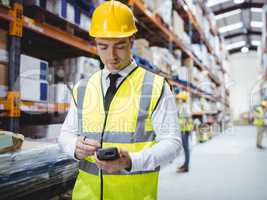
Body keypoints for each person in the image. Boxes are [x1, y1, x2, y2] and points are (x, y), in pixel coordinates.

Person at [58, 1, 181, 200]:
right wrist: (74, 147)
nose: (111, 56)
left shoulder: (156, 87)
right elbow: (65, 134)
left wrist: (132, 161)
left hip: (133, 195)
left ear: (132, 40)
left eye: (120, 46)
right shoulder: (82, 87)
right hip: (86, 195)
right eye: (103, 47)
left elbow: (172, 143)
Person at [176, 92, 193, 173]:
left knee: (186, 148)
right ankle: (185, 164)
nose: (178, 99)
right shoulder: (183, 106)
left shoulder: (184, 107)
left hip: (185, 130)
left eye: (179, 98)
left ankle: (186, 166)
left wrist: (183, 129)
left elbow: (188, 118)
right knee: (185, 148)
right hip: (184, 130)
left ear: (182, 99)